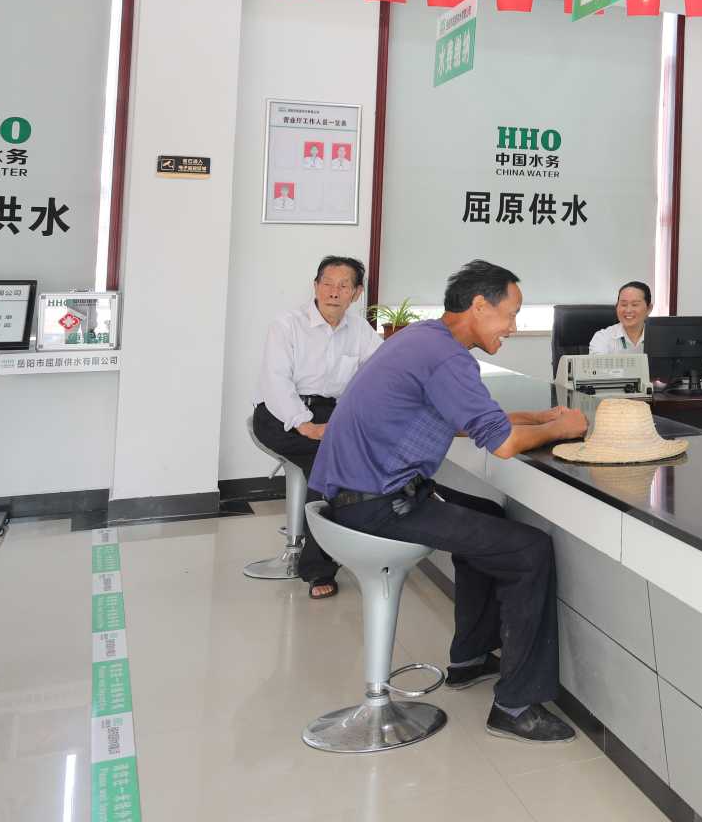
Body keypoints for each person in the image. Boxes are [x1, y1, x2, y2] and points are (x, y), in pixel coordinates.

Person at [312, 260, 591, 744]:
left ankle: (470, 657)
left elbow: (466, 419)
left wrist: (537, 417)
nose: (513, 327)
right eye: (511, 313)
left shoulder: (424, 339)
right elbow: (503, 444)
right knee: (528, 550)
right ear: (479, 305)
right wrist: (562, 428)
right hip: (377, 506)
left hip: (349, 499)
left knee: (486, 516)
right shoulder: (448, 358)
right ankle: (516, 706)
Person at [251, 255, 381, 600]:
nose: (333, 292)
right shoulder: (287, 325)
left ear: (356, 293)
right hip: (280, 415)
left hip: (330, 415)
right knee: (330, 462)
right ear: (315, 286)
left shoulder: (359, 331)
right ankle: (318, 568)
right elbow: (276, 383)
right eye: (327, 283)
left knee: (346, 459)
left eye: (343, 286)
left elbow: (383, 371)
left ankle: (345, 546)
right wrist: (306, 425)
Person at [588, 280, 652, 353]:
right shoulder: (602, 338)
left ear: (649, 308)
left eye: (635, 304)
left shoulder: (659, 337)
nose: (628, 310)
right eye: (624, 305)